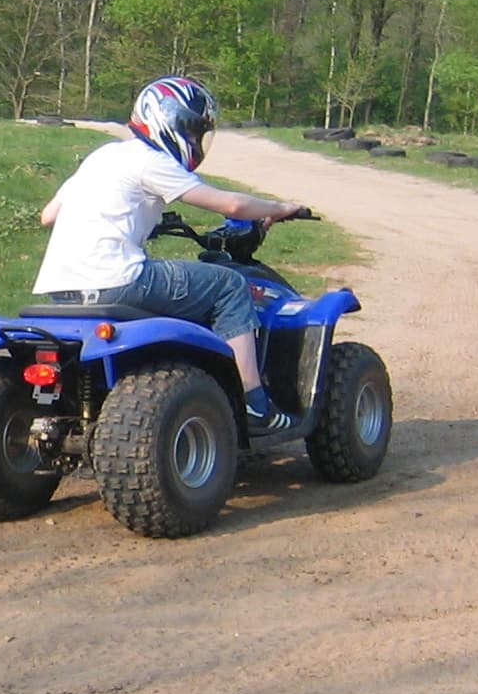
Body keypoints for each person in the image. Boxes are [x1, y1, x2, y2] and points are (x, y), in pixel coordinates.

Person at [32, 75, 307, 437]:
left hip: (59, 287)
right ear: (168, 121)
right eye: (193, 129)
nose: (195, 139)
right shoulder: (150, 160)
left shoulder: (103, 156)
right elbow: (232, 204)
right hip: (117, 280)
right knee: (228, 285)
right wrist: (281, 207)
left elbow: (48, 215)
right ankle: (254, 404)